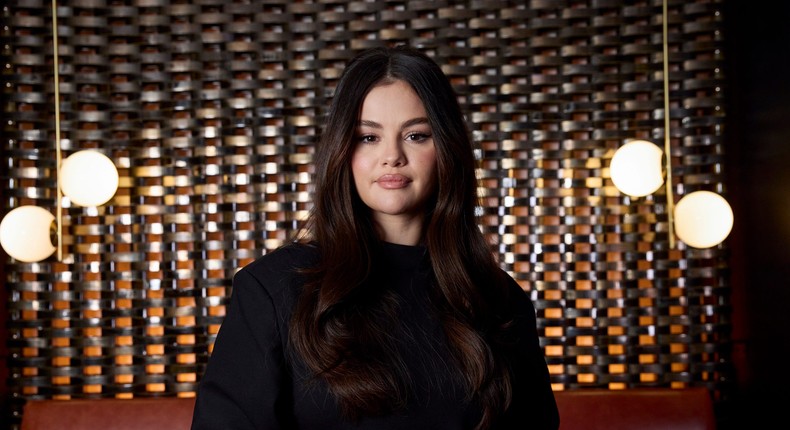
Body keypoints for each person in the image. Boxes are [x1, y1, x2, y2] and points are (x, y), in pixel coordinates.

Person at [191, 45, 559, 430]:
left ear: (447, 149)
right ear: (342, 150)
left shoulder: (499, 300)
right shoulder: (271, 289)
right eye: (368, 137)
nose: (392, 156)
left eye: (416, 135)